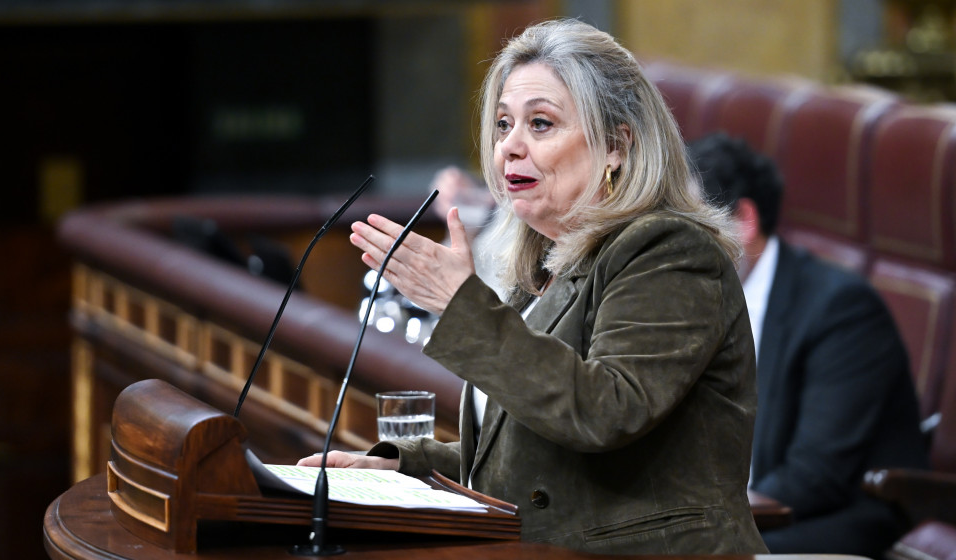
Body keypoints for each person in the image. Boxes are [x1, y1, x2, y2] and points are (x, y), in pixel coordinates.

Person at [300, 19, 767, 554]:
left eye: (540, 124)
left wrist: (460, 305)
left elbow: (605, 412)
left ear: (617, 145)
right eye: (502, 125)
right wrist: (401, 466)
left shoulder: (668, 250)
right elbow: (533, 459)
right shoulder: (545, 268)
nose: (510, 148)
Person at [688, 132, 929, 558]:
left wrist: (696, 522)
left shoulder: (841, 310)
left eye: (690, 225)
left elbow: (816, 476)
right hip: (733, 511)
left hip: (830, 519)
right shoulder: (688, 299)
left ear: (743, 222)